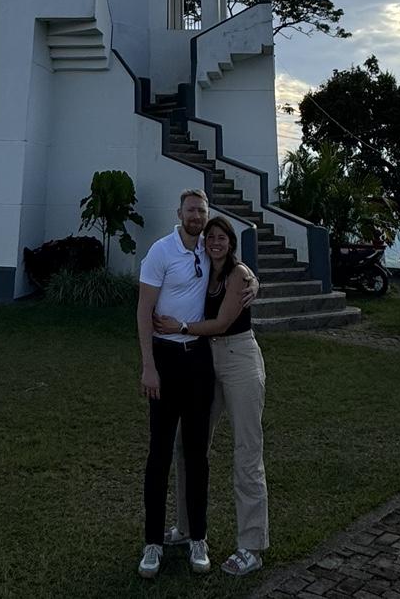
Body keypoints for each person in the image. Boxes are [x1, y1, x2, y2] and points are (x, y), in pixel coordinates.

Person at [155, 216, 268, 578]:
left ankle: (251, 545)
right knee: (189, 444)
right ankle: (187, 527)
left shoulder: (239, 274)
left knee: (246, 451)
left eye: (222, 238)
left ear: (231, 243)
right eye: (211, 237)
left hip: (238, 359)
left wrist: (181, 327)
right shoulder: (202, 267)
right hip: (205, 361)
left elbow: (221, 323)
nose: (215, 243)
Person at [136, 189, 216, 579]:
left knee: (198, 453)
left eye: (201, 210)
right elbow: (143, 310)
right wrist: (148, 366)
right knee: (160, 453)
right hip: (166, 357)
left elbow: (238, 273)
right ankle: (153, 542)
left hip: (198, 358)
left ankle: (197, 535)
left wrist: (254, 285)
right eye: (191, 210)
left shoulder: (210, 250)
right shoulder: (161, 251)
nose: (196, 216)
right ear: (179, 213)